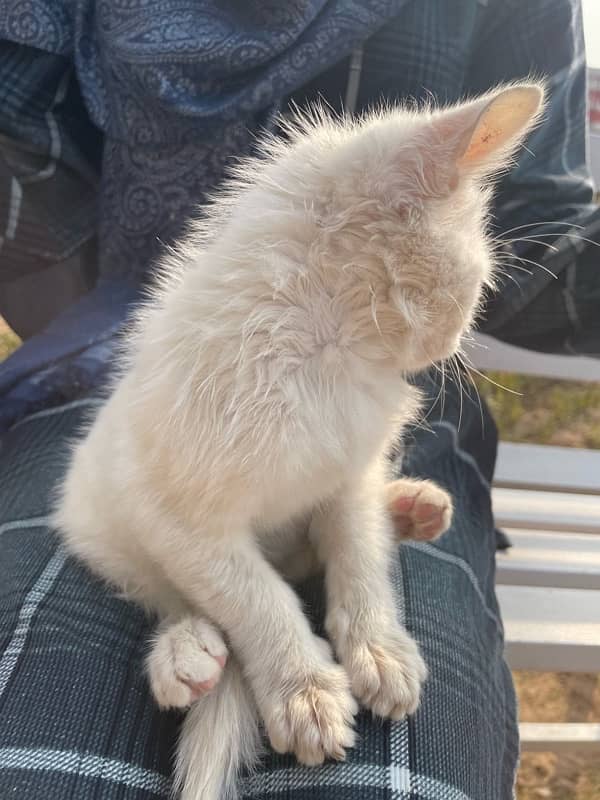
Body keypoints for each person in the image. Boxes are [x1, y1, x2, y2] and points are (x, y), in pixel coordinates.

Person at [0, 1, 595, 797]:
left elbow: (540, 217)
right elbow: (25, 176)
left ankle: (297, 552)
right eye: (460, 293)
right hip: (108, 366)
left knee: (400, 772)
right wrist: (281, 652)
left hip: (351, 367)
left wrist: (360, 613)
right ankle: (215, 603)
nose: (459, 339)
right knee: (39, 746)